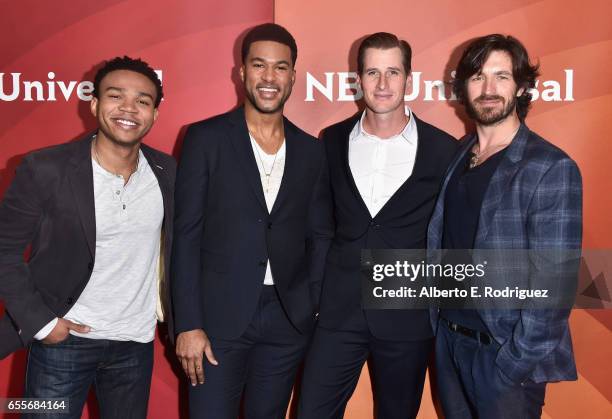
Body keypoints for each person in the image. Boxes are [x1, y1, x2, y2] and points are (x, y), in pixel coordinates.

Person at [0, 56, 175, 418]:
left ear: (155, 114)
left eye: (143, 101)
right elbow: (4, 251)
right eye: (116, 96)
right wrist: (44, 324)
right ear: (94, 103)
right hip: (63, 342)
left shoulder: (167, 171)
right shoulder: (45, 168)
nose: (129, 108)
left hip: (134, 346)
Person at [171, 23, 331, 418]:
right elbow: (184, 235)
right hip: (217, 321)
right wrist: (187, 323)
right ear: (241, 72)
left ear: (293, 76)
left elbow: (320, 235)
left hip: (287, 320)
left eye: (280, 67)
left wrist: (309, 305)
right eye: (259, 65)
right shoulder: (204, 138)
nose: (269, 77)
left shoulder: (312, 151)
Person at [298, 32, 457, 419]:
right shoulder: (331, 140)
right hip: (338, 313)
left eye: (392, 72)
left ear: (408, 78)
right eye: (372, 72)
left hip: (407, 317)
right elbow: (320, 227)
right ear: (358, 79)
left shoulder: (443, 148)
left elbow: (449, 235)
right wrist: (317, 298)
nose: (383, 84)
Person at [427, 34, 582, 418]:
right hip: (449, 344)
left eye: (502, 76)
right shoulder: (460, 155)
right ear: (462, 86)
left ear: (521, 86)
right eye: (478, 76)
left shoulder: (550, 167)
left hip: (502, 358)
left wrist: (514, 362)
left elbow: (556, 285)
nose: (489, 89)